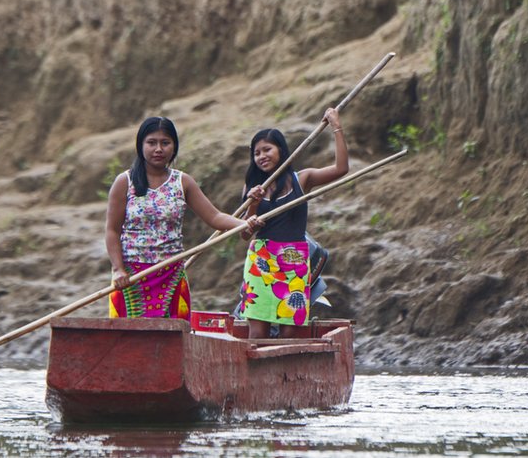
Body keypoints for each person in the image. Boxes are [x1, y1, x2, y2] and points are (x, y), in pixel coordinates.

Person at [106, 116, 261, 320]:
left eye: (165, 143)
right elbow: (112, 230)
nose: (159, 149)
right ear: (140, 145)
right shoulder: (124, 182)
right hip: (131, 276)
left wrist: (244, 224)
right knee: (128, 342)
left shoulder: (182, 182)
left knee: (173, 340)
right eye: (152, 143)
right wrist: (118, 269)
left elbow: (214, 216)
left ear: (174, 147)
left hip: (170, 273)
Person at [237, 107, 348, 338]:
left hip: (294, 260)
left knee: (291, 331)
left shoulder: (301, 179)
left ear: (281, 150)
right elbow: (244, 234)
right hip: (261, 261)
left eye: (267, 149)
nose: (262, 156)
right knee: (257, 332)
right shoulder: (251, 188)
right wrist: (253, 205)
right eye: (257, 153)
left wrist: (336, 127)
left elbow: (341, 169)